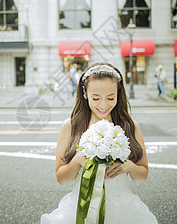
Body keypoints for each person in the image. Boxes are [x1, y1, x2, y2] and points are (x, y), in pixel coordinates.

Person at [41, 62, 158, 224]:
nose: (103, 105)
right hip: (80, 209)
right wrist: (77, 160)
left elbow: (142, 176)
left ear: (119, 93)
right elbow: (61, 179)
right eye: (95, 98)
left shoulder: (130, 125)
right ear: (85, 92)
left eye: (111, 98)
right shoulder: (70, 126)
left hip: (124, 210)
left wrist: (128, 166)